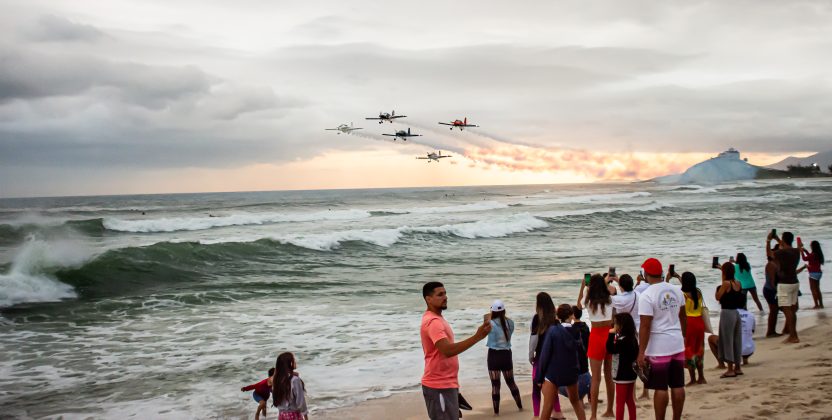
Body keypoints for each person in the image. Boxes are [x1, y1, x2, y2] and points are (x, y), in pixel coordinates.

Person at [421, 282, 492, 420]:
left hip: (447, 384)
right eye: (440, 294)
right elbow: (447, 350)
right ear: (428, 299)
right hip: (438, 386)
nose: (445, 297)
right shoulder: (433, 322)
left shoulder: (438, 319)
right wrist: (477, 337)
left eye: (445, 293)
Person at [636, 258, 686, 420]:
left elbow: (645, 325)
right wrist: (682, 336)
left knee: (661, 387)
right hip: (677, 342)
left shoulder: (647, 295)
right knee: (678, 385)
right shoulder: (676, 290)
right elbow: (683, 317)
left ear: (645, 274)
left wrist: (641, 351)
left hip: (659, 347)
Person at [536, 304, 587, 420]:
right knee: (576, 402)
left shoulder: (553, 330)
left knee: (547, 406)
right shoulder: (577, 331)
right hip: (571, 372)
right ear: (572, 315)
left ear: (558, 316)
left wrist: (539, 377)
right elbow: (581, 353)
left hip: (554, 372)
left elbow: (545, 355)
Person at [578, 274, 615, 419]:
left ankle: (593, 415)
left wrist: (583, 285)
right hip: (610, 335)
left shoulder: (588, 299)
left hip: (596, 336)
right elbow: (611, 290)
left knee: (595, 379)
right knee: (609, 376)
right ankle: (610, 410)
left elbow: (579, 306)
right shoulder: (610, 298)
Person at [530, 293, 565, 419]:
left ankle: (536, 415)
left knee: (536, 387)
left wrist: (530, 356)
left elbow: (533, 340)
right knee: (552, 385)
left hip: (540, 358)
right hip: (553, 359)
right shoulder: (555, 321)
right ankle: (558, 411)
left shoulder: (536, 319)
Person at [485, 299, 522, 415]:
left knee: (495, 385)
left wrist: (491, 313)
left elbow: (485, 318)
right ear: (504, 311)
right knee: (511, 382)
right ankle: (520, 406)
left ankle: (496, 412)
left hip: (494, 355)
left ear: (493, 311)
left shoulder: (489, 323)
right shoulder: (510, 323)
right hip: (506, 354)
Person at [715, 262, 745, 378]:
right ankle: (738, 367)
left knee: (727, 340)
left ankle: (730, 369)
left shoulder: (726, 284)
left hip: (727, 313)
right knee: (736, 339)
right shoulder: (737, 283)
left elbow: (718, 297)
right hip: (736, 313)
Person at [606, 313, 638, 420]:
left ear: (622, 325)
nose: (614, 325)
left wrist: (611, 334)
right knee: (629, 400)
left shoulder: (622, 341)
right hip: (631, 374)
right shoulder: (633, 338)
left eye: (616, 323)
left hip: (622, 376)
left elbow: (610, 349)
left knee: (620, 402)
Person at [770, 231, 801, 344]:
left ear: (783, 240)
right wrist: (777, 238)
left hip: (784, 284)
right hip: (794, 282)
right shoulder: (796, 251)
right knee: (792, 310)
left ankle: (793, 335)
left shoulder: (780, 253)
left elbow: (770, 254)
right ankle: (794, 334)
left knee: (786, 309)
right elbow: (785, 248)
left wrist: (768, 241)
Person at [559, 305, 592, 406]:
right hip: (585, 356)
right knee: (585, 371)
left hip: (574, 363)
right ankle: (590, 398)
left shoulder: (571, 330)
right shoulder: (585, 327)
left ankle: (579, 399)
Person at [680, 272, 706, 385]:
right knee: (699, 349)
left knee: (689, 351)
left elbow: (682, 314)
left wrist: (683, 331)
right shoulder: (698, 292)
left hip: (689, 323)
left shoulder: (683, 295)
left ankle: (693, 378)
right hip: (700, 322)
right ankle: (701, 377)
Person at [272, 352, 308, 420]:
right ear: (290, 363)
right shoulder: (295, 380)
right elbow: (301, 402)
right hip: (293, 415)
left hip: (281, 415)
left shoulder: (276, 380)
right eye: (293, 359)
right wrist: (306, 417)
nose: (295, 361)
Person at [763, 244, 781, 337]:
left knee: (775, 310)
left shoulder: (776, 263)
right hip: (770, 289)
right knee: (773, 311)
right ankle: (770, 331)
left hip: (771, 289)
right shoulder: (771, 264)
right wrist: (777, 291)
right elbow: (772, 281)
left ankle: (772, 331)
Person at [801, 240, 825, 309]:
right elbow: (810, 258)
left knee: (813, 289)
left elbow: (805, 258)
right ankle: (821, 304)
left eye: (811, 245)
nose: (810, 246)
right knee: (817, 289)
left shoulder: (813, 254)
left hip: (813, 273)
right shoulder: (818, 254)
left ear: (813, 246)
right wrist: (806, 251)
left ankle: (816, 305)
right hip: (819, 273)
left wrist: (801, 252)